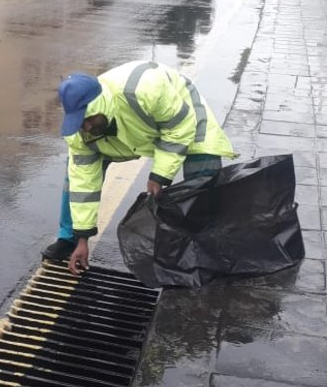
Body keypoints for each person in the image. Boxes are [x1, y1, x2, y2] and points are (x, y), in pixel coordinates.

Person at [42, 60, 236, 275]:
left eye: (88, 119)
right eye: (80, 122)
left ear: (101, 105)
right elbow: (84, 183)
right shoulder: (81, 131)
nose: (85, 127)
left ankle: (205, 245)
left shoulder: (148, 90)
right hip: (125, 133)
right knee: (76, 175)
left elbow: (179, 128)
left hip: (178, 116)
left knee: (203, 175)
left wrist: (160, 175)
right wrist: (83, 238)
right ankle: (69, 238)